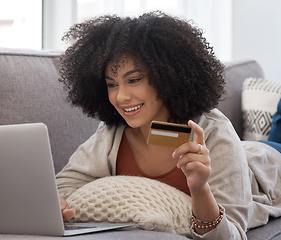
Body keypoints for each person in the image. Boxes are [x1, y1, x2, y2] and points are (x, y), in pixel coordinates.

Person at [55, 11, 281, 239]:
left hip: (267, 162)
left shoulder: (214, 131)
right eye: (112, 84)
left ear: (166, 76)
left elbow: (231, 235)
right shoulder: (113, 133)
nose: (121, 97)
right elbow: (64, 183)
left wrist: (201, 190)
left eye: (134, 80)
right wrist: (58, 200)